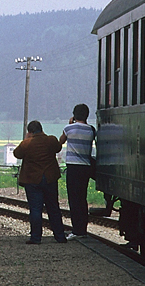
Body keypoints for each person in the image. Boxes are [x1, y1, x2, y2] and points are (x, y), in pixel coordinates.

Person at [13, 120, 67, 244]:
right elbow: (58, 148)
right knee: (53, 208)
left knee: (35, 209)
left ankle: (36, 238)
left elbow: (17, 154)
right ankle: (60, 236)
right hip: (50, 178)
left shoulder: (27, 144)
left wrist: (26, 139)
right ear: (41, 129)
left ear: (30, 132)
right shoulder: (51, 140)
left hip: (32, 180)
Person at [59, 103, 95, 240]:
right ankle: (83, 230)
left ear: (74, 115)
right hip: (85, 167)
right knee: (82, 199)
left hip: (73, 168)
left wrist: (70, 123)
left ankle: (76, 231)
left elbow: (60, 142)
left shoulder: (69, 128)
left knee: (74, 200)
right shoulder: (91, 130)